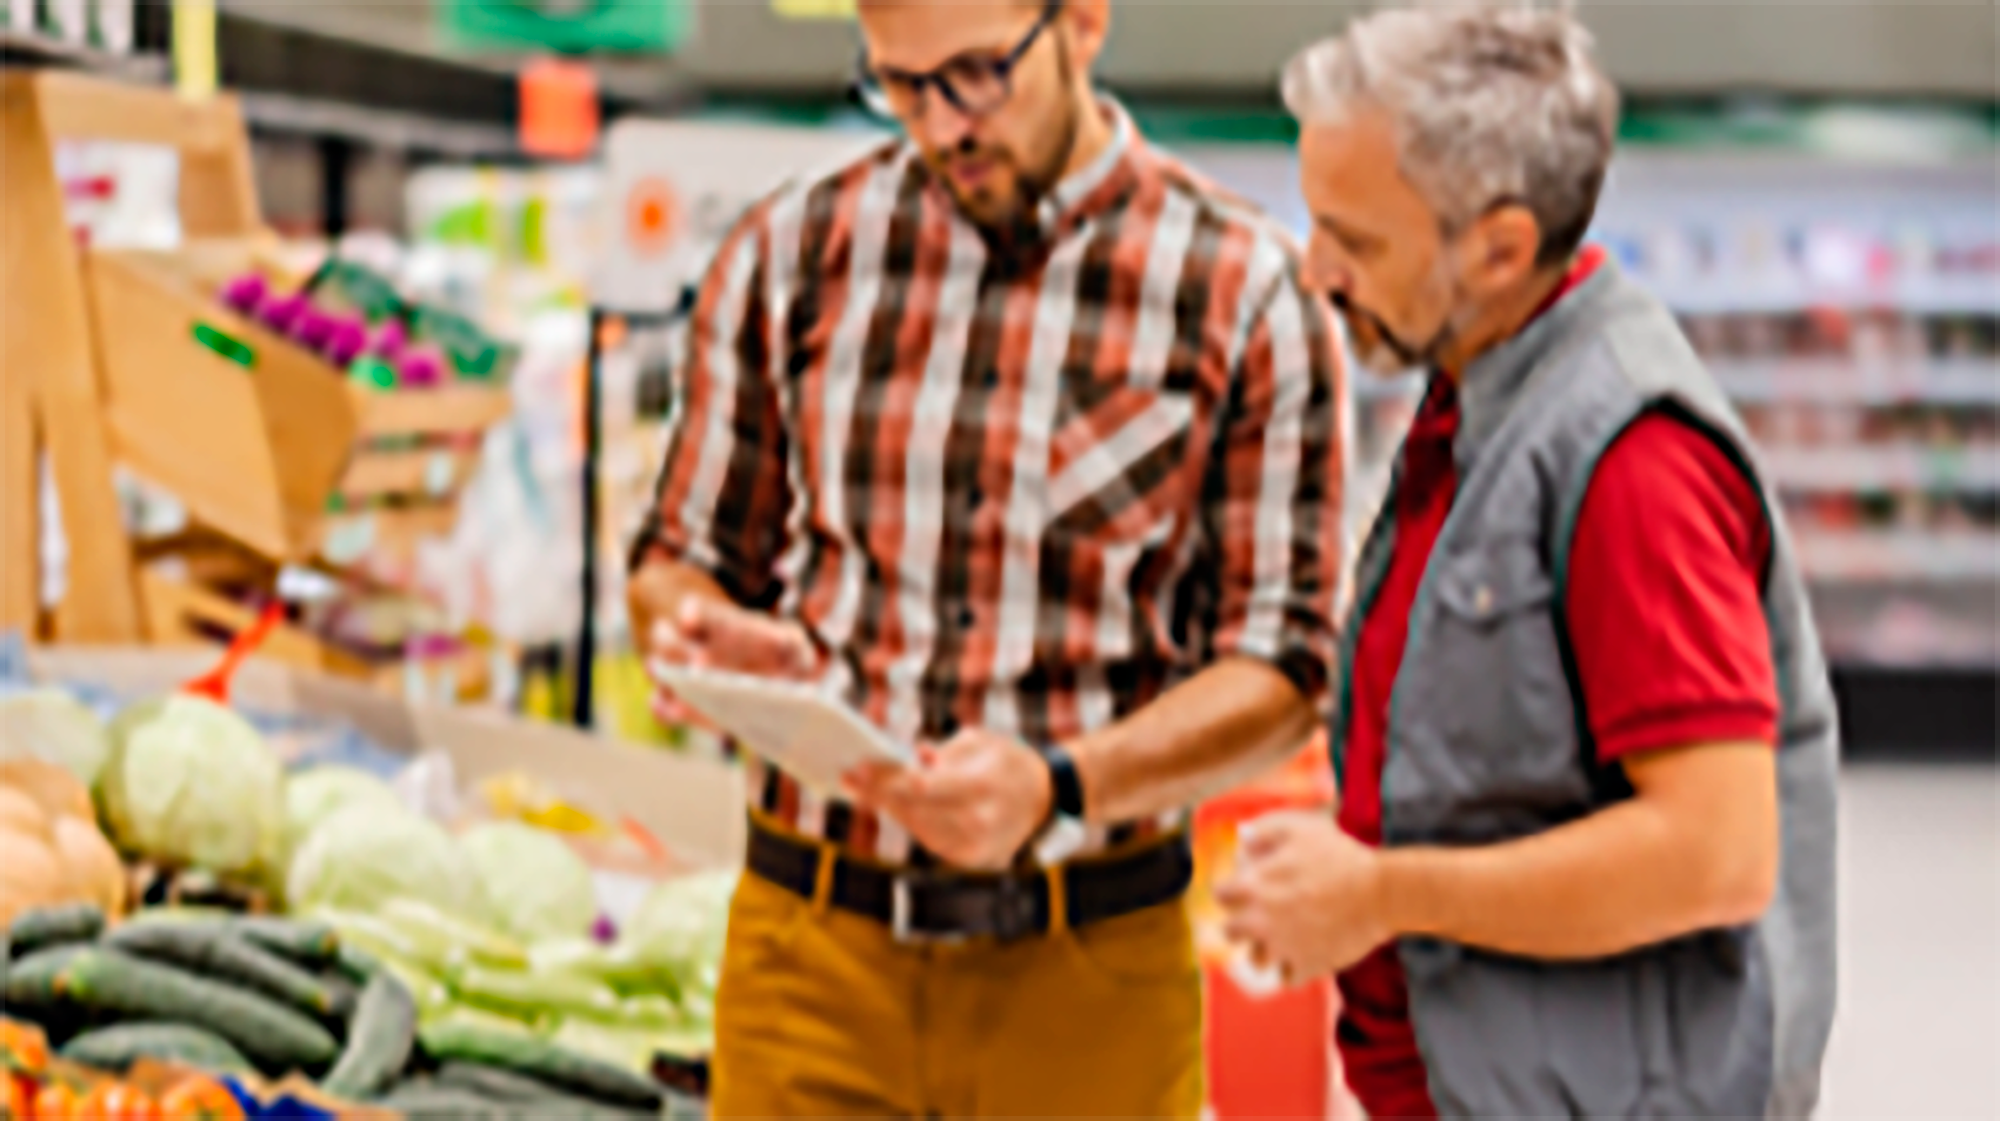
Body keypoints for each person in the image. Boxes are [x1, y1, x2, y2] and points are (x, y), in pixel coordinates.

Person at [626, 0, 1347, 1115]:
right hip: (808, 955)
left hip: (1087, 972)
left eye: (974, 75)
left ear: (1083, 23)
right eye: (898, 85)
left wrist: (1060, 783)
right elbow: (676, 555)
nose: (941, 124)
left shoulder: (1244, 292)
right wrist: (693, 628)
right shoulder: (788, 253)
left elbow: (1285, 670)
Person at [1218, 3, 1839, 1119]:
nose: (1315, 271)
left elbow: (1714, 850)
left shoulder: (1629, 462)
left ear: (1499, 247)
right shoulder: (1476, 396)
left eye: (1353, 240)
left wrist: (1380, 890)